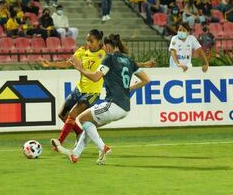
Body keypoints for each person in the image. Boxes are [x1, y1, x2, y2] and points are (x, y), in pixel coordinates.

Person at [52, 33, 151, 164]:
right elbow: (146, 80)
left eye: (105, 45)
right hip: (125, 108)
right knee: (90, 125)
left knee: (82, 118)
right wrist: (130, 88)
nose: (104, 48)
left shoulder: (109, 58)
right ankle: (75, 155)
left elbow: (95, 77)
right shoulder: (128, 60)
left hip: (113, 104)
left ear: (109, 45)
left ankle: (102, 147)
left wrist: (80, 69)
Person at [42, 29, 106, 149]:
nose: (88, 43)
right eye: (87, 40)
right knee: (62, 115)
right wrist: (50, 64)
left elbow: (120, 62)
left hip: (92, 92)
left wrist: (141, 65)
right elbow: (68, 63)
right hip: (79, 89)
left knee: (72, 114)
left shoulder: (104, 53)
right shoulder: (82, 51)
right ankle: (79, 132)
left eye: (91, 41)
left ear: (98, 42)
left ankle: (59, 142)